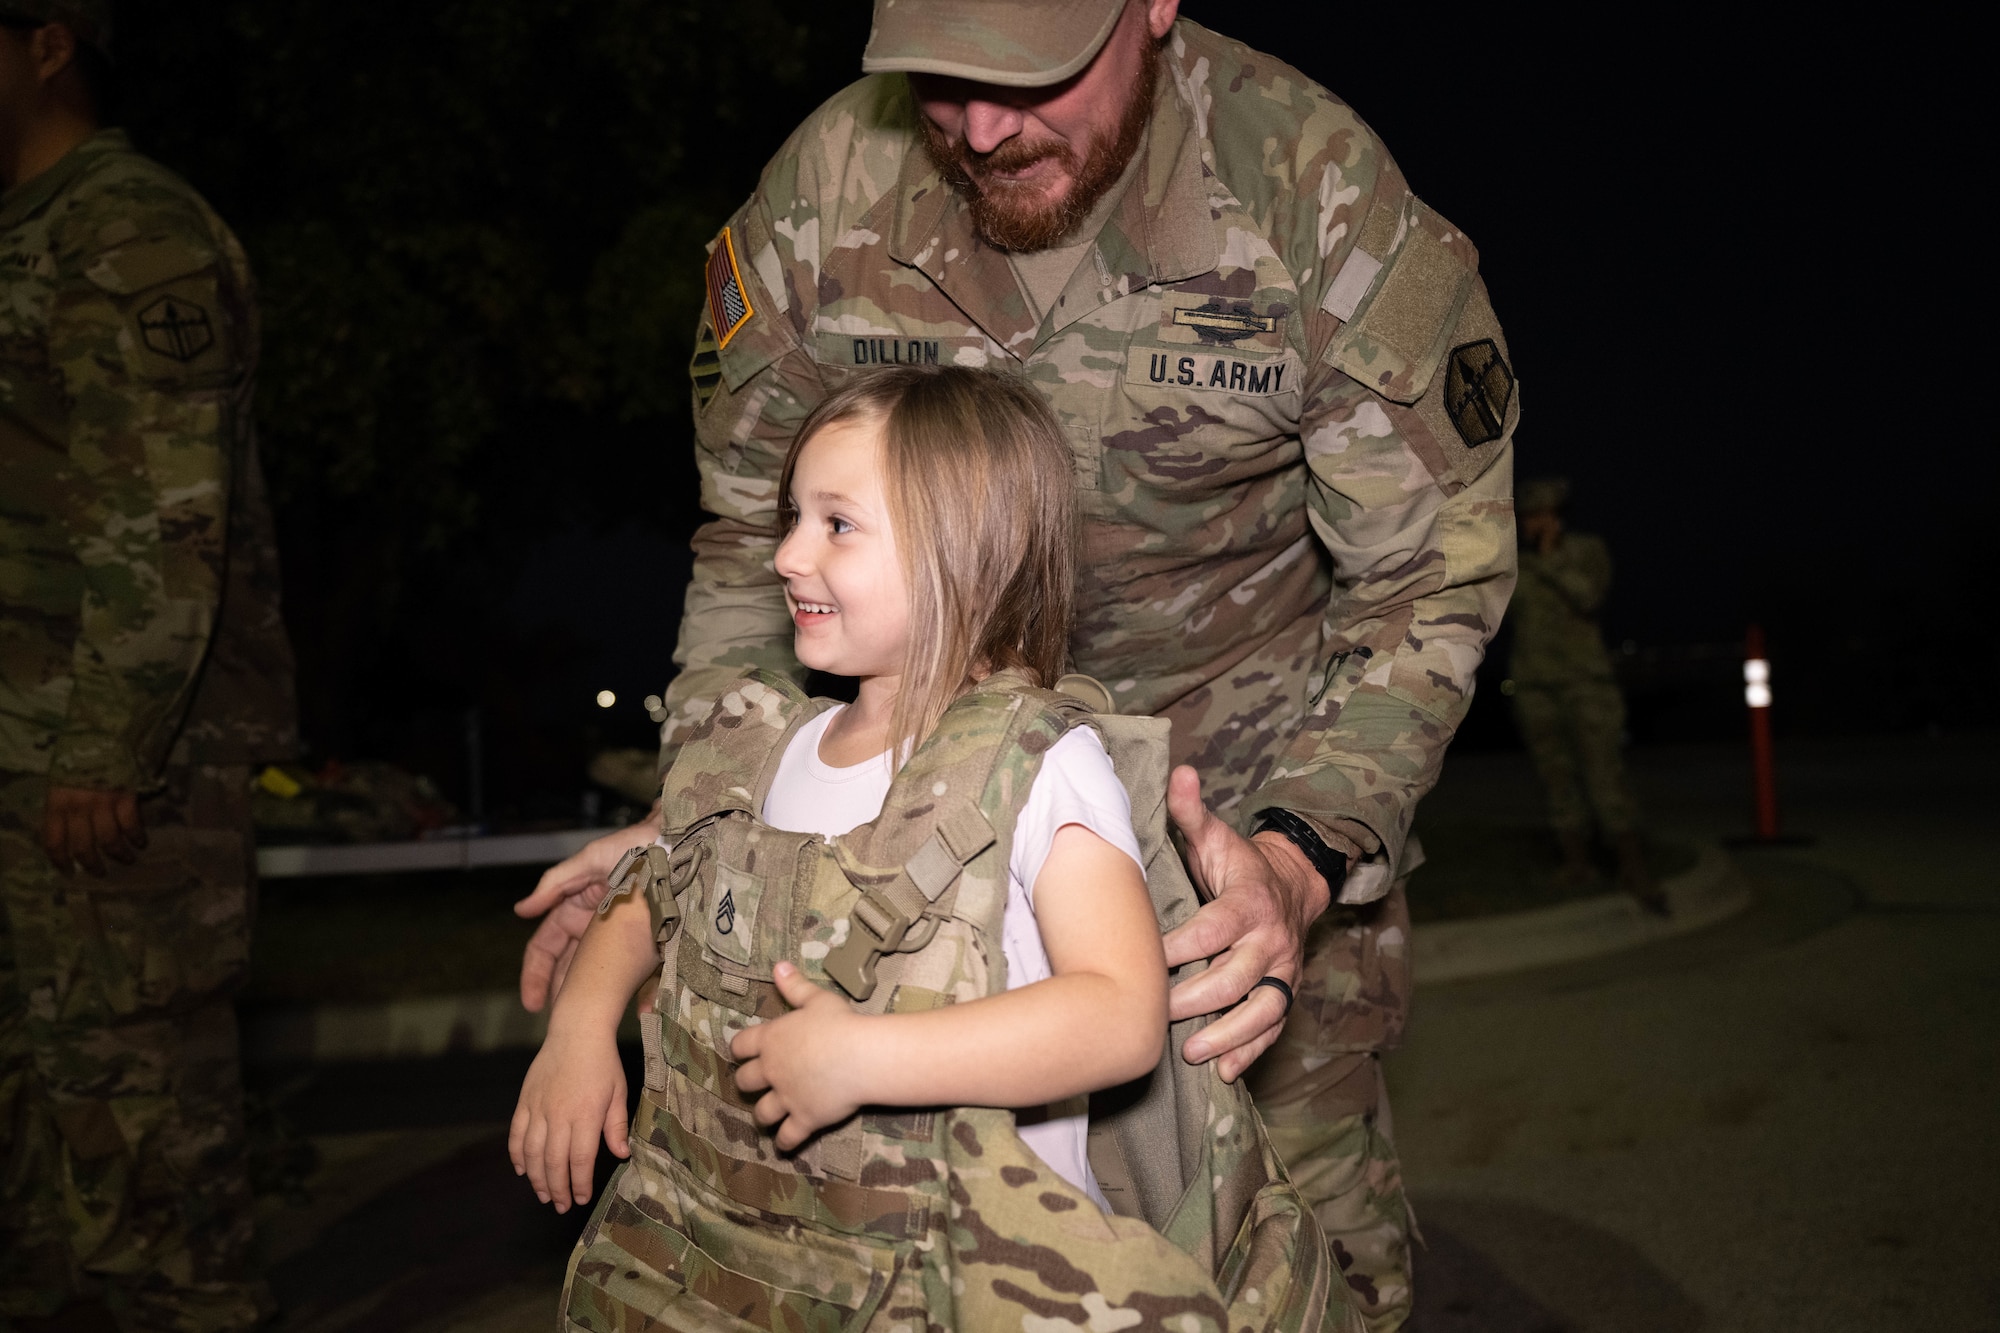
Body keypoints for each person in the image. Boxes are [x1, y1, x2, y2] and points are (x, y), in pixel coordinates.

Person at [517, 3, 1519, 1325]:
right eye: (944, 81)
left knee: (1288, 1263)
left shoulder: (1313, 199)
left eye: (1034, 76)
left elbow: (1428, 574)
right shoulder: (829, 197)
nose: (983, 130)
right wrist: (710, 834)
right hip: (907, 856)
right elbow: (744, 546)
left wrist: (1297, 856)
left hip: (1235, 837)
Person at [514, 365, 1355, 1331]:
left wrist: (864, 1058)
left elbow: (1119, 1015)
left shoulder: (1039, 765)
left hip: (975, 1286)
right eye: (793, 517)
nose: (789, 554)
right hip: (768, 1281)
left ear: (967, 551)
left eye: (838, 524)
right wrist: (580, 1031)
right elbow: (653, 895)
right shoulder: (766, 751)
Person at [0, 3, 296, 1329]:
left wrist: (106, 746)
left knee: (142, 1167)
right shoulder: (27, 227)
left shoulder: (126, 233)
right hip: (32, 751)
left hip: (112, 771)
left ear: (47, 40)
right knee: (50, 1159)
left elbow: (165, 514)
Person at [1508, 477, 1664, 913]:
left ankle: (1631, 863)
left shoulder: (1586, 552)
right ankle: (1576, 862)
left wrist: (1552, 558)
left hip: (1586, 685)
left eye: (1537, 516)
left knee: (1604, 774)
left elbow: (1589, 597)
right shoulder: (1514, 565)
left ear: (1555, 518)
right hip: (1536, 686)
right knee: (1555, 778)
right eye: (1525, 517)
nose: (1529, 524)